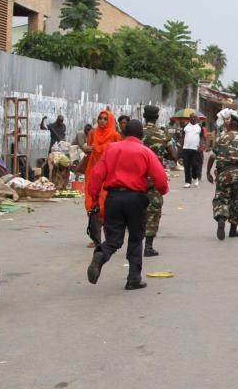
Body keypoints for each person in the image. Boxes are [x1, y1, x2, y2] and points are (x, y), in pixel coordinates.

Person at [86, 121, 169, 290]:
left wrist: (95, 198)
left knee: (114, 238)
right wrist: (162, 190)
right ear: (142, 136)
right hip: (136, 198)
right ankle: (133, 279)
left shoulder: (111, 149)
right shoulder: (145, 151)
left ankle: (101, 255)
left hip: (114, 198)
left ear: (123, 133)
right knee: (136, 238)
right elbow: (160, 178)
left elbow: (96, 174)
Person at [206, 116, 238, 241]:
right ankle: (233, 230)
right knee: (236, 201)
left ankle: (221, 218)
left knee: (221, 198)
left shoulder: (220, 139)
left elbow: (212, 157)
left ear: (230, 125)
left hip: (223, 174)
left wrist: (208, 172)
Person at [140, 106, 178, 257]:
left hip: (136, 177)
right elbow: (174, 156)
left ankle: (134, 243)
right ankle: (148, 246)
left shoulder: (137, 132)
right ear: (157, 118)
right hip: (154, 177)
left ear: (144, 116)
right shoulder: (162, 134)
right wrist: (161, 155)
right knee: (154, 210)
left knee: (136, 209)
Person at [83, 110, 121, 246]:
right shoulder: (92, 133)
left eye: (105, 119)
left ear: (110, 121)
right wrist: (85, 148)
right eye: (100, 118)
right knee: (90, 205)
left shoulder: (115, 136)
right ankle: (95, 238)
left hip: (108, 175)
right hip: (92, 172)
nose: (102, 121)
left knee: (104, 206)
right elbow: (87, 149)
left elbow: (120, 154)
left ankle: (109, 237)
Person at [181, 118, 204, 188]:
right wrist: (181, 145)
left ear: (196, 119)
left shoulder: (199, 126)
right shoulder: (185, 126)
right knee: (186, 166)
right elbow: (183, 136)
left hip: (195, 149)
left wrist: (201, 144)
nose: (193, 119)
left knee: (194, 165)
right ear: (189, 119)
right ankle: (187, 182)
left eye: (194, 118)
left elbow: (202, 136)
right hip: (186, 148)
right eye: (191, 118)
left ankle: (195, 177)